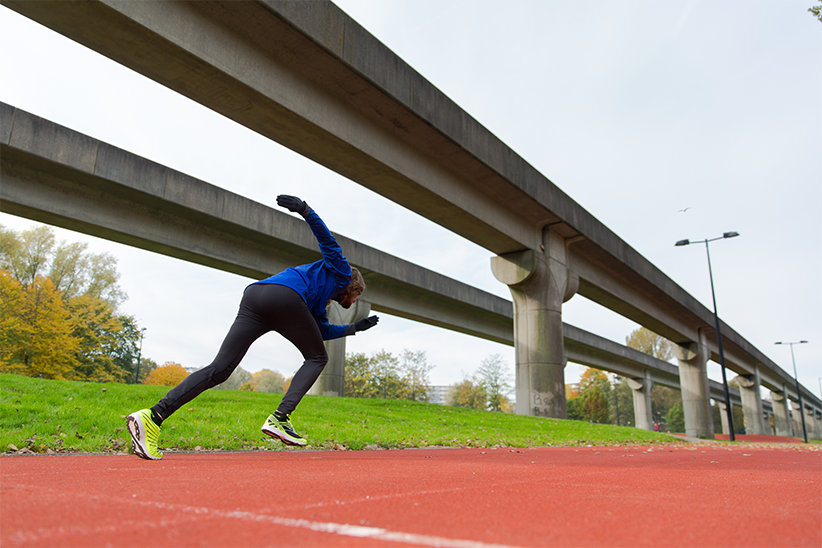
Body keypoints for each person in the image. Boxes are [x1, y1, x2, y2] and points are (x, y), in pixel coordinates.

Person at [126, 195, 379, 460]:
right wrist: (305, 210)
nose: (354, 301)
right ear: (355, 288)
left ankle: (153, 417)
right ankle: (280, 418)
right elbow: (327, 240)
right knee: (317, 358)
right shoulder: (341, 271)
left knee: (219, 369)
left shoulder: (318, 304)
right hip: (286, 298)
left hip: (256, 298)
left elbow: (321, 332)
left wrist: (353, 329)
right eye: (357, 297)